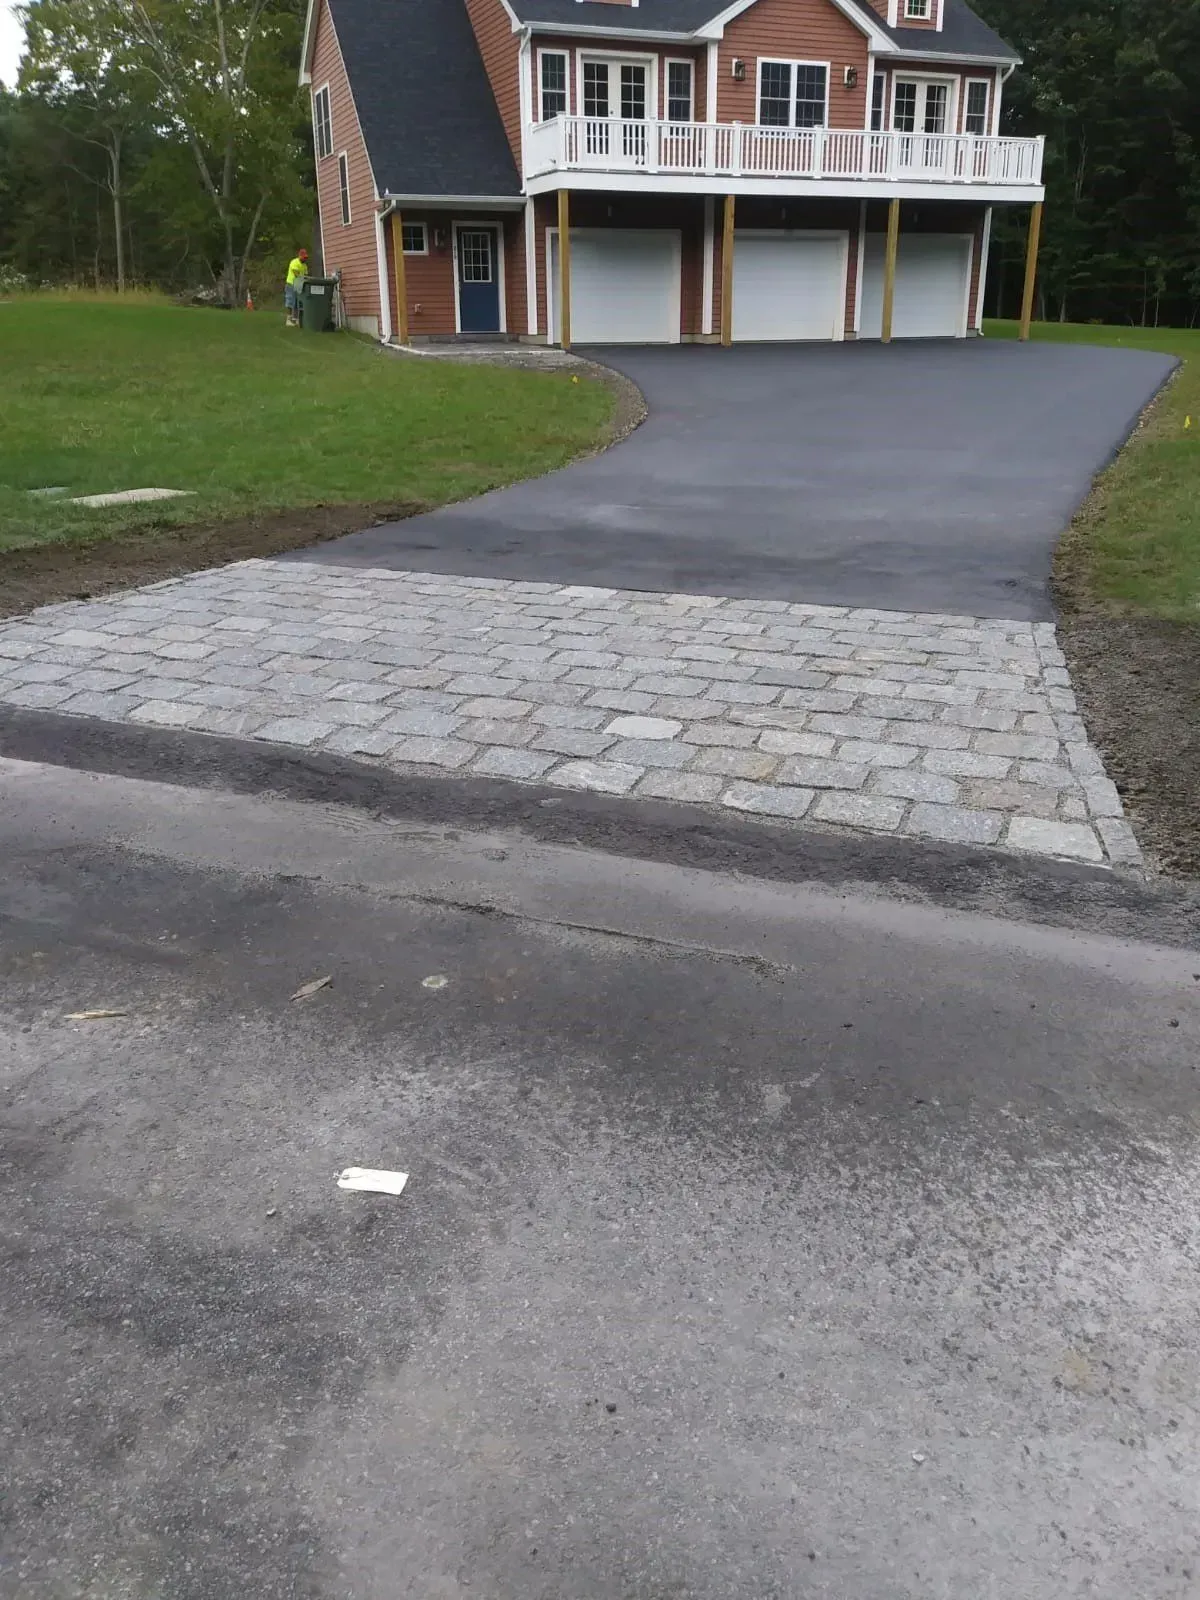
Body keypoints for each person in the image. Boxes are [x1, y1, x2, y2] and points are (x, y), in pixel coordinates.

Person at [285, 249, 309, 326]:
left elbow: (306, 275)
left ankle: (295, 319)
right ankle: (288, 319)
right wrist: (304, 278)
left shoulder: (304, 265)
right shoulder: (294, 262)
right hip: (291, 284)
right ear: (300, 256)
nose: (305, 259)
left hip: (299, 285)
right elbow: (296, 274)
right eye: (304, 257)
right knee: (290, 301)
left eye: (306, 257)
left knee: (296, 302)